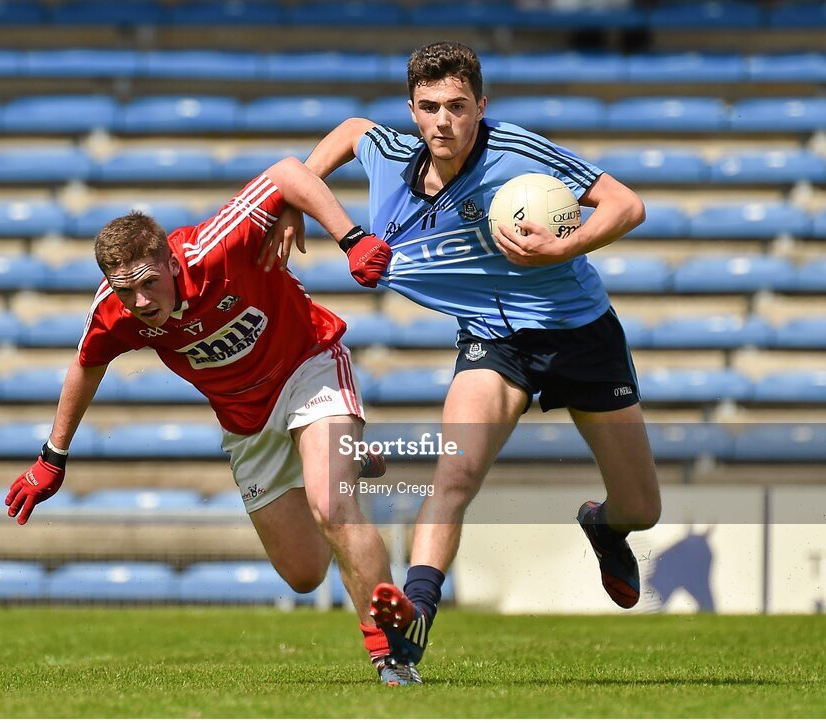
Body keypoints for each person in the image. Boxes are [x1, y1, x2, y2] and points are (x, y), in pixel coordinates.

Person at [261, 41, 661, 679]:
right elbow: (350, 131)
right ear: (412, 110)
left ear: (481, 106)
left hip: (580, 332)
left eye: (457, 106)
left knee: (641, 508)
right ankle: (413, 621)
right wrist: (294, 202)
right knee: (454, 475)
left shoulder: (518, 152)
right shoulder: (392, 156)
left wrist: (564, 248)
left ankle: (603, 525)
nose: (442, 121)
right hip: (492, 340)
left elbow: (627, 205)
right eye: (428, 107)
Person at [3, 157, 420, 686]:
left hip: (306, 367)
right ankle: (336, 457)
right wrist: (52, 457)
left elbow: (290, 172)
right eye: (125, 290)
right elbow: (87, 365)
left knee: (331, 504)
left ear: (172, 264)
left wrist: (351, 238)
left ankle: (393, 657)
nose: (139, 302)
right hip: (246, 420)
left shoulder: (215, 246)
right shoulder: (115, 310)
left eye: (148, 284)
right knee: (304, 572)